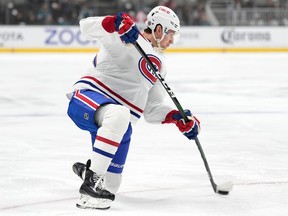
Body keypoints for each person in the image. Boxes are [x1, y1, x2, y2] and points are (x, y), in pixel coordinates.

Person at [66, 6, 201, 210]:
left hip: (116, 124)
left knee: (112, 185)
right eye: (171, 33)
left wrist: (176, 117)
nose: (172, 40)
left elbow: (153, 108)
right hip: (87, 98)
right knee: (121, 114)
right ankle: (89, 188)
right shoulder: (124, 34)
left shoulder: (160, 66)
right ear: (158, 29)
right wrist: (113, 22)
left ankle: (91, 171)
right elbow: (85, 27)